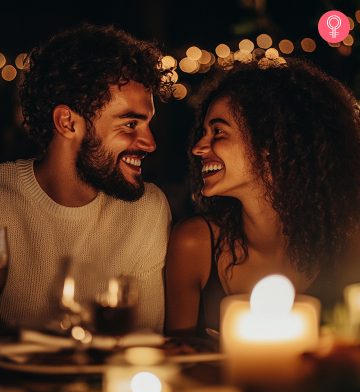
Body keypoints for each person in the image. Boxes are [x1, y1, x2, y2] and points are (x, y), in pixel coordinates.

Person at [165, 54, 360, 337]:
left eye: (218, 132)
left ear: (268, 144)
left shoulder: (349, 244)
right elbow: (179, 358)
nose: (198, 147)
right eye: (203, 132)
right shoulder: (195, 244)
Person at [0, 23, 172, 333]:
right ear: (67, 122)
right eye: (130, 124)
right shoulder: (3, 199)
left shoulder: (148, 209)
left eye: (147, 124)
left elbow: (142, 346)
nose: (150, 143)